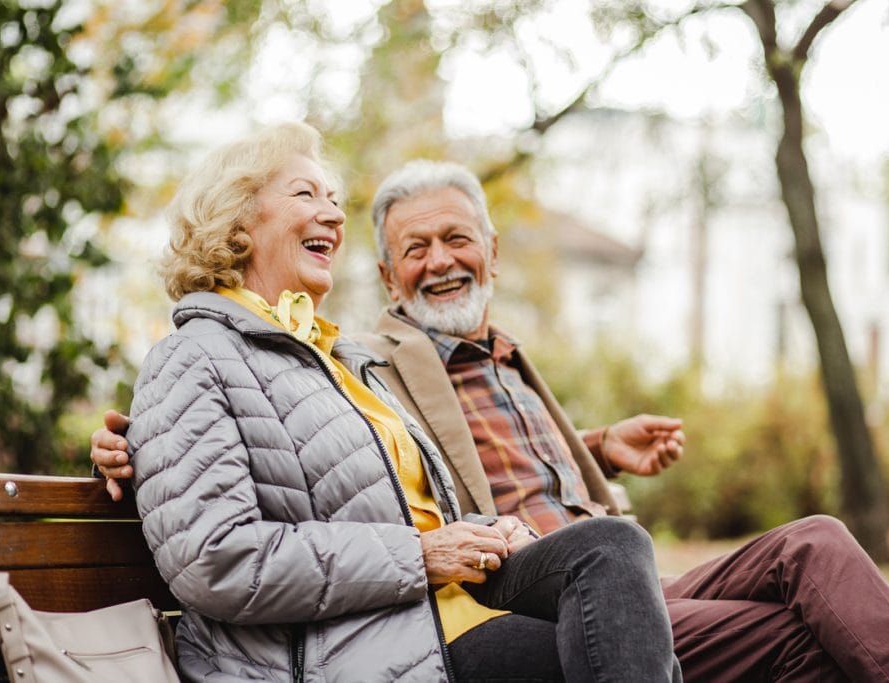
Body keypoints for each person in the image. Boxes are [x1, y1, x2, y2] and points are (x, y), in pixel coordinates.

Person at [95, 157, 889, 681]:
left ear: (494, 251)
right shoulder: (369, 354)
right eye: (414, 249)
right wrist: (122, 442)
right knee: (786, 637)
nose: (439, 262)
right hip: (497, 595)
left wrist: (594, 450)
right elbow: (227, 480)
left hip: (590, 576)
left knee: (812, 542)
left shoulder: (457, 360)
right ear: (390, 280)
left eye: (457, 240)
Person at [121, 122, 676, 682]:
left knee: (612, 546)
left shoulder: (337, 358)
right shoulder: (193, 358)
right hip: (349, 647)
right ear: (237, 222)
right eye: (305, 194)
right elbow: (216, 559)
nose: (336, 216)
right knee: (622, 650)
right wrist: (422, 555)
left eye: (334, 199)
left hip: (438, 609)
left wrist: (487, 529)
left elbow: (397, 511)